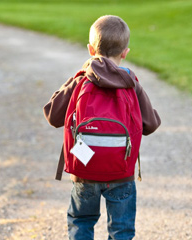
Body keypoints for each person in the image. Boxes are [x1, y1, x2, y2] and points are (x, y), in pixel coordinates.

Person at [43, 15, 160, 240]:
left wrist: (74, 79)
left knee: (81, 222)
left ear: (90, 49)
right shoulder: (131, 82)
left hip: (84, 168)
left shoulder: (81, 80)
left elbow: (52, 115)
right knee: (121, 230)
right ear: (125, 52)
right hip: (121, 171)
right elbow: (150, 125)